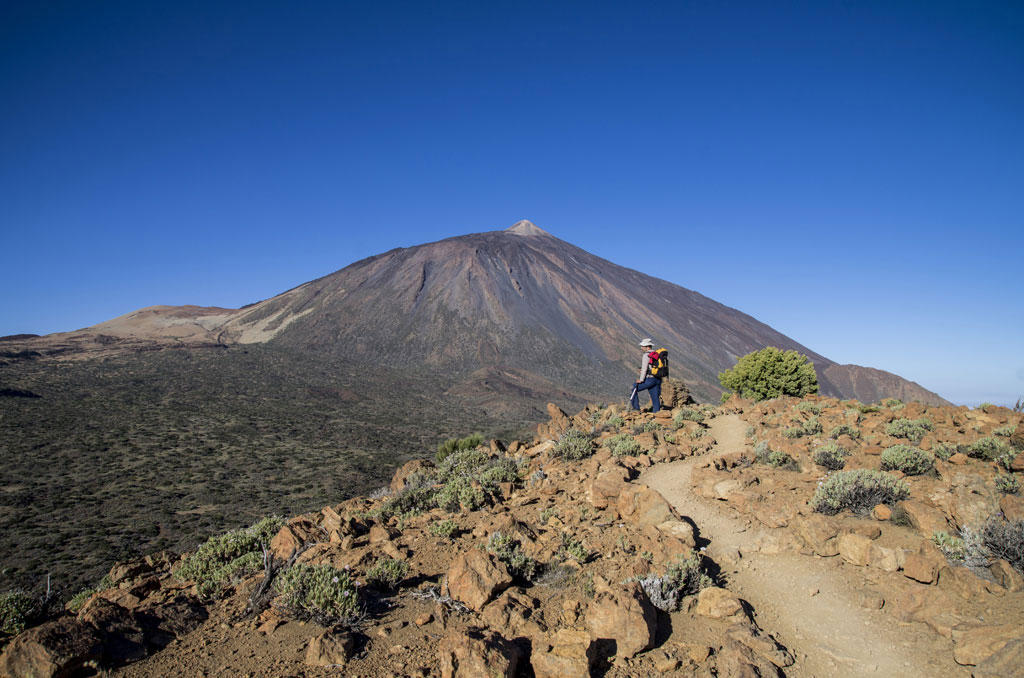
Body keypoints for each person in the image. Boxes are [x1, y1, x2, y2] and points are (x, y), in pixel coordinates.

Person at [631, 338, 662, 412]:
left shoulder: (647, 355)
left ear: (647, 346)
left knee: (634, 389)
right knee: (655, 398)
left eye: (642, 346)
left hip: (650, 379)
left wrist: (641, 380)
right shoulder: (657, 354)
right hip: (657, 379)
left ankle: (636, 409)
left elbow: (644, 369)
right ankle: (656, 414)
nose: (641, 348)